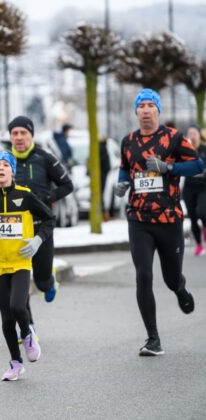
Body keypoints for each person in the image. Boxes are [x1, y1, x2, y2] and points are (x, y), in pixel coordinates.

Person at [114, 88, 204, 356]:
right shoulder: (128, 141)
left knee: (170, 277)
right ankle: (153, 339)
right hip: (139, 219)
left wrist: (169, 168)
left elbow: (198, 166)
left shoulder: (173, 138)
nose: (145, 110)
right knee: (143, 275)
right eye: (141, 106)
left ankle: (180, 288)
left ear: (157, 110)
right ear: (136, 111)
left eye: (150, 106)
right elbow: (125, 168)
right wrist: (122, 183)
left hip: (168, 219)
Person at [0, 151, 55, 381]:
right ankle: (16, 364)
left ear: (12, 171)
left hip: (20, 261)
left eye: (6, 165)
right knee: (6, 318)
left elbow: (49, 219)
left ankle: (27, 334)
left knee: (18, 307)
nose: (1, 168)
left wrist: (37, 240)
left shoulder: (24, 195)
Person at [8, 116, 74, 327]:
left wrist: (48, 198)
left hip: (41, 228)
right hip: (15, 230)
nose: (19, 137)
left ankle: (49, 281)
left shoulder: (44, 158)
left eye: (23, 133)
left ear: (31, 135)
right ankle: (27, 327)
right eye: (15, 133)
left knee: (42, 282)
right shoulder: (5, 161)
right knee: (19, 282)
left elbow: (67, 185)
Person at [181, 124, 206, 256]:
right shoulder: (184, 151)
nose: (192, 136)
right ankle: (199, 245)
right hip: (189, 188)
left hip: (203, 187)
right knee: (193, 217)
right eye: (190, 133)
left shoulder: (204, 150)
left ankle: (205, 228)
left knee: (202, 212)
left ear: (198, 135)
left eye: (194, 133)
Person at [99, 135, 112, 221]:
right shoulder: (103, 149)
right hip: (102, 175)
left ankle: (103, 213)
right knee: (101, 195)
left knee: (101, 195)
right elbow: (106, 164)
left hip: (100, 174)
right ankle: (103, 214)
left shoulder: (98, 148)